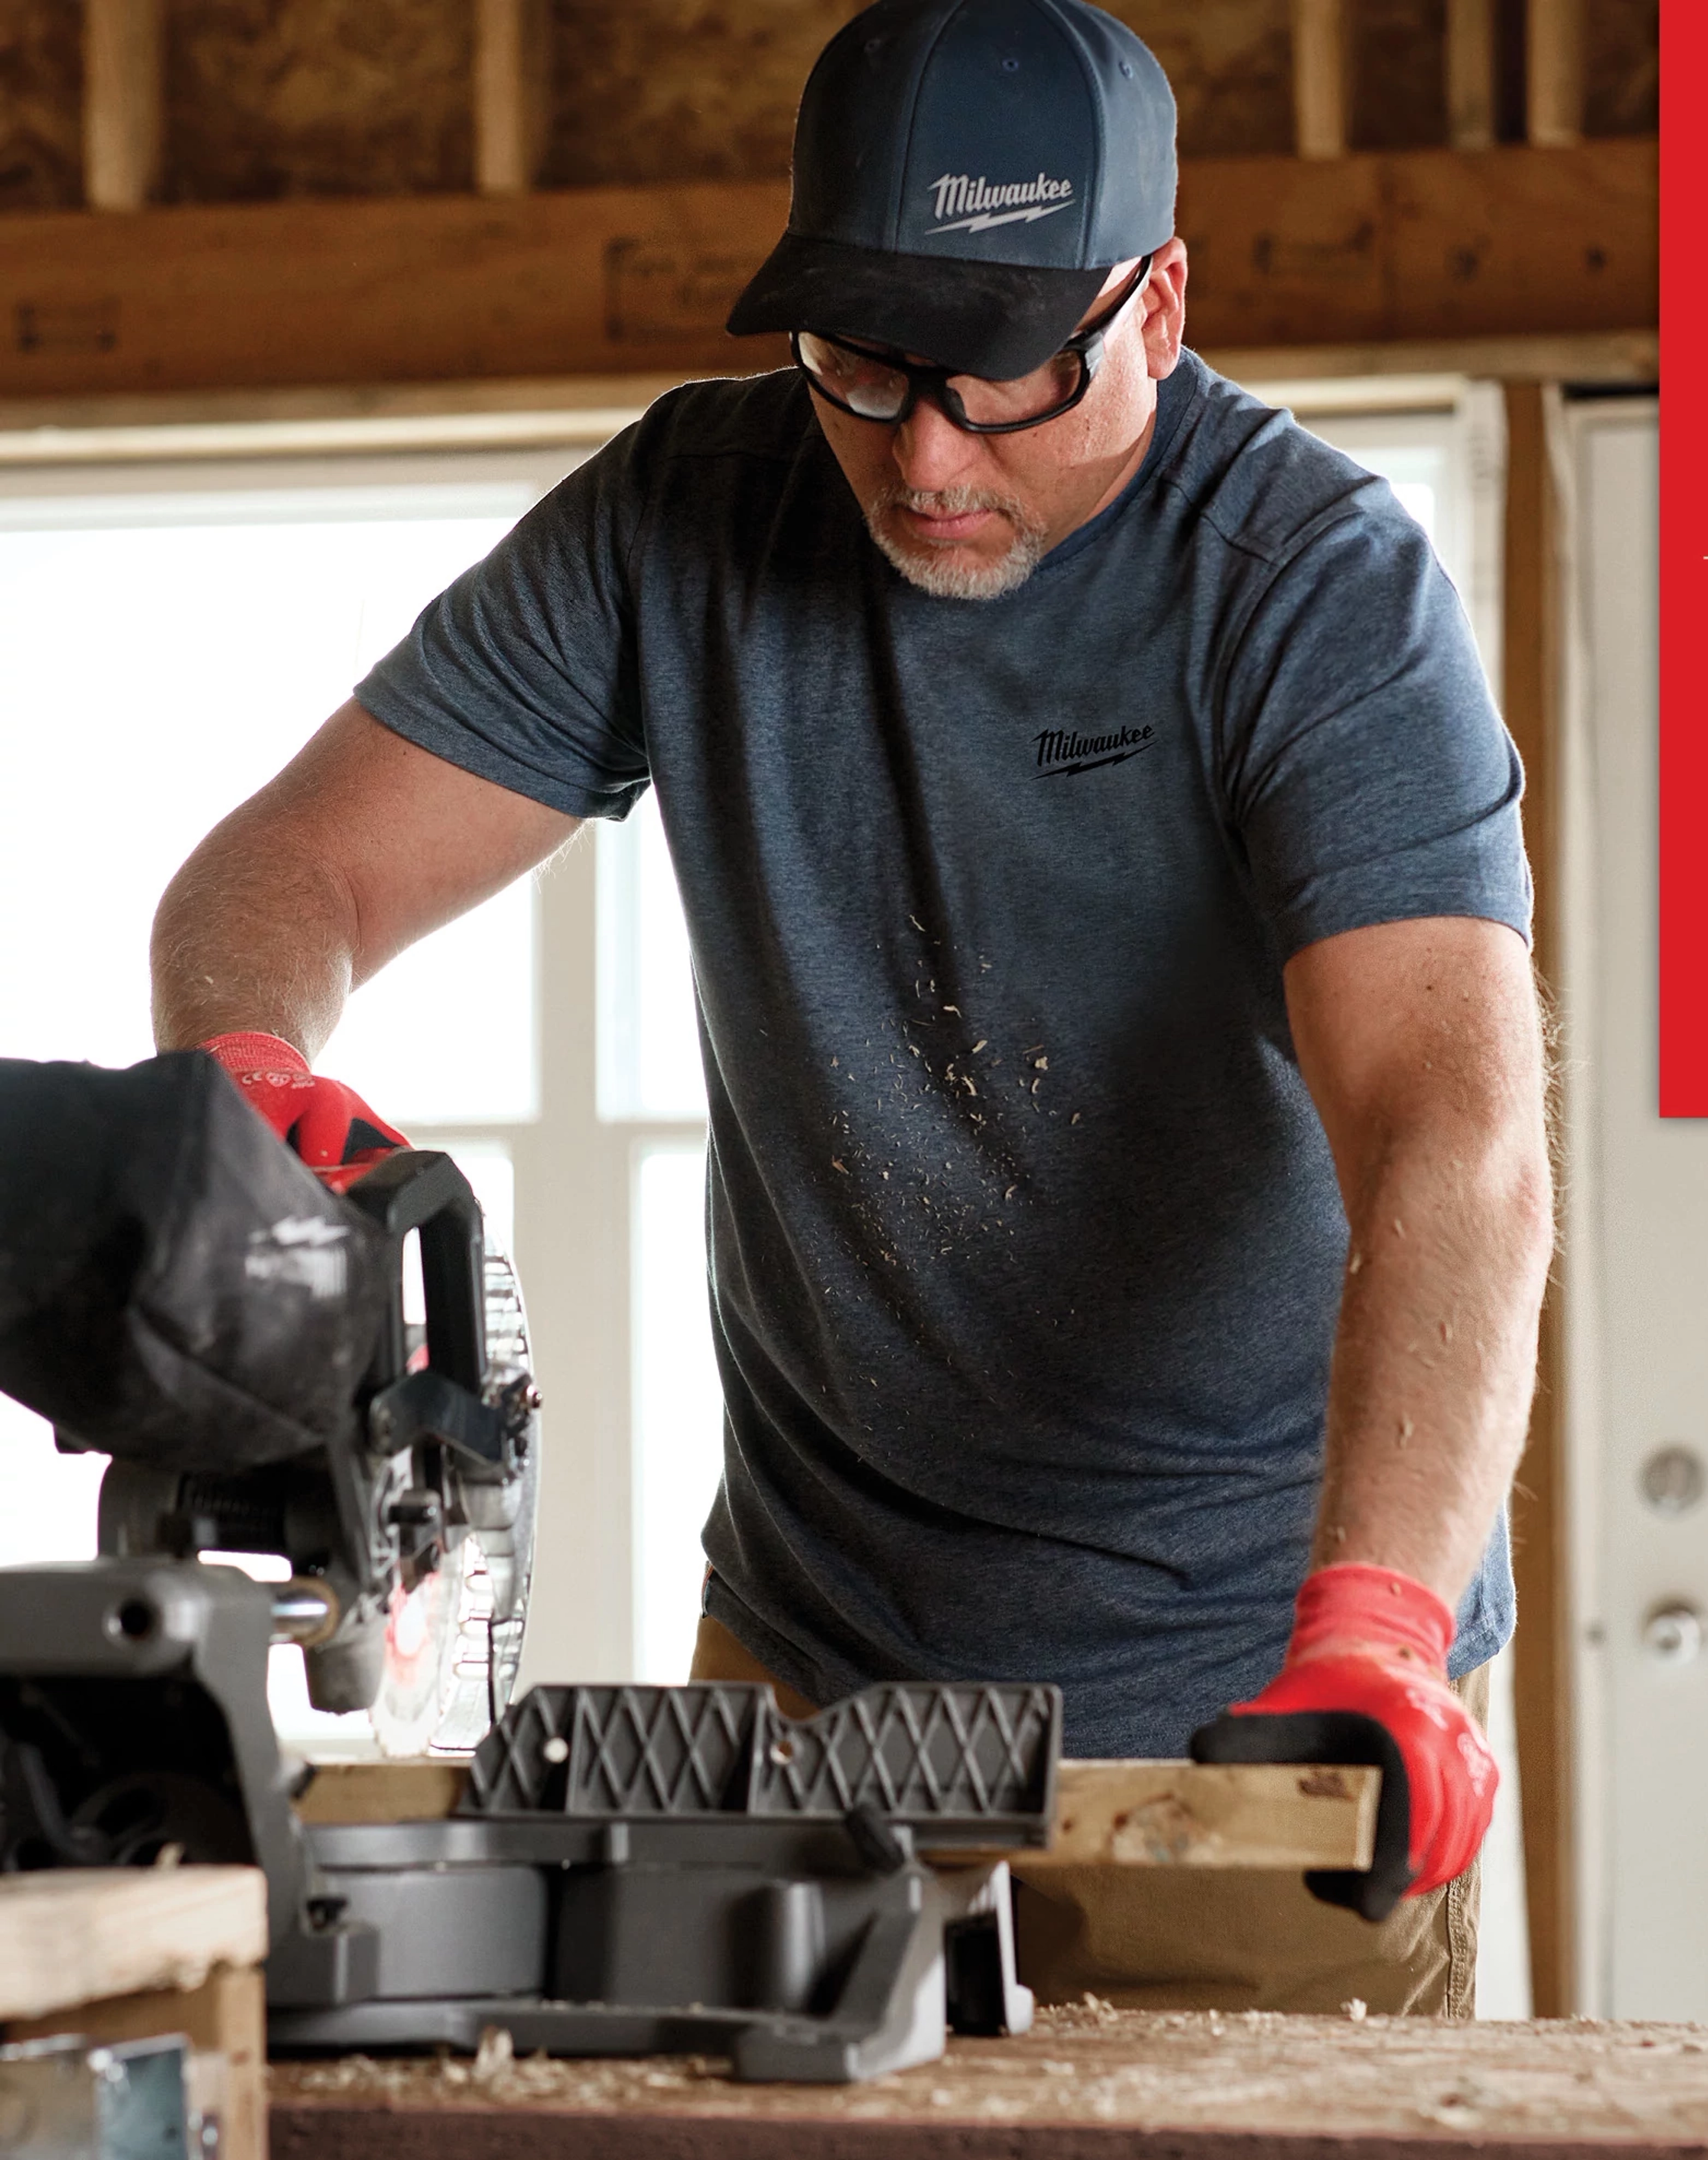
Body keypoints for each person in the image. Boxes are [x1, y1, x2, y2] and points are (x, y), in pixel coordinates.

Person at [150, 0, 1551, 2017]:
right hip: (813, 1682)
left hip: (1253, 1711)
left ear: (1157, 301)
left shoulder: (1311, 589)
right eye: (863, 365)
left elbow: (1453, 1132)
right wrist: (252, 1080)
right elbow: (279, 878)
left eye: (1003, 381)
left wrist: (1383, 1633)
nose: (923, 457)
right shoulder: (686, 520)